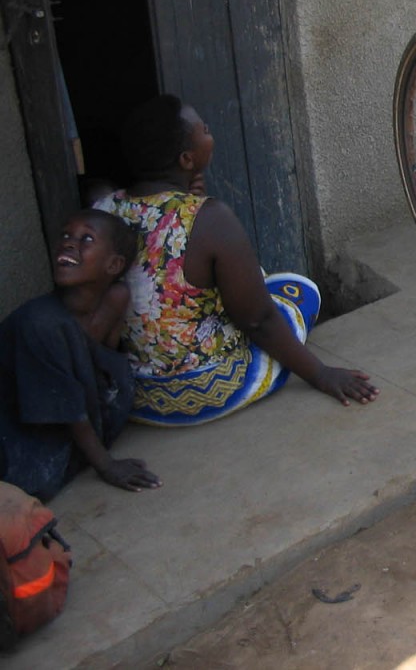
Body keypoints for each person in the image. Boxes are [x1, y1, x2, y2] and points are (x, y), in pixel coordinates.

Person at [95, 94, 378, 426]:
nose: (210, 131)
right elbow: (257, 320)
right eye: (205, 128)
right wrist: (321, 373)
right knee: (299, 291)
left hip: (139, 394)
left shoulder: (104, 209)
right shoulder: (209, 218)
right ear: (187, 159)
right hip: (204, 391)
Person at [0, 210, 160, 499]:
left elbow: (105, 367)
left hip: (77, 408)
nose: (69, 243)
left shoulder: (116, 298)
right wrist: (106, 465)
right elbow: (66, 404)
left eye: (86, 238)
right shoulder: (40, 323)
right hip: (18, 424)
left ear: (113, 265)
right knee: (33, 480)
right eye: (65, 236)